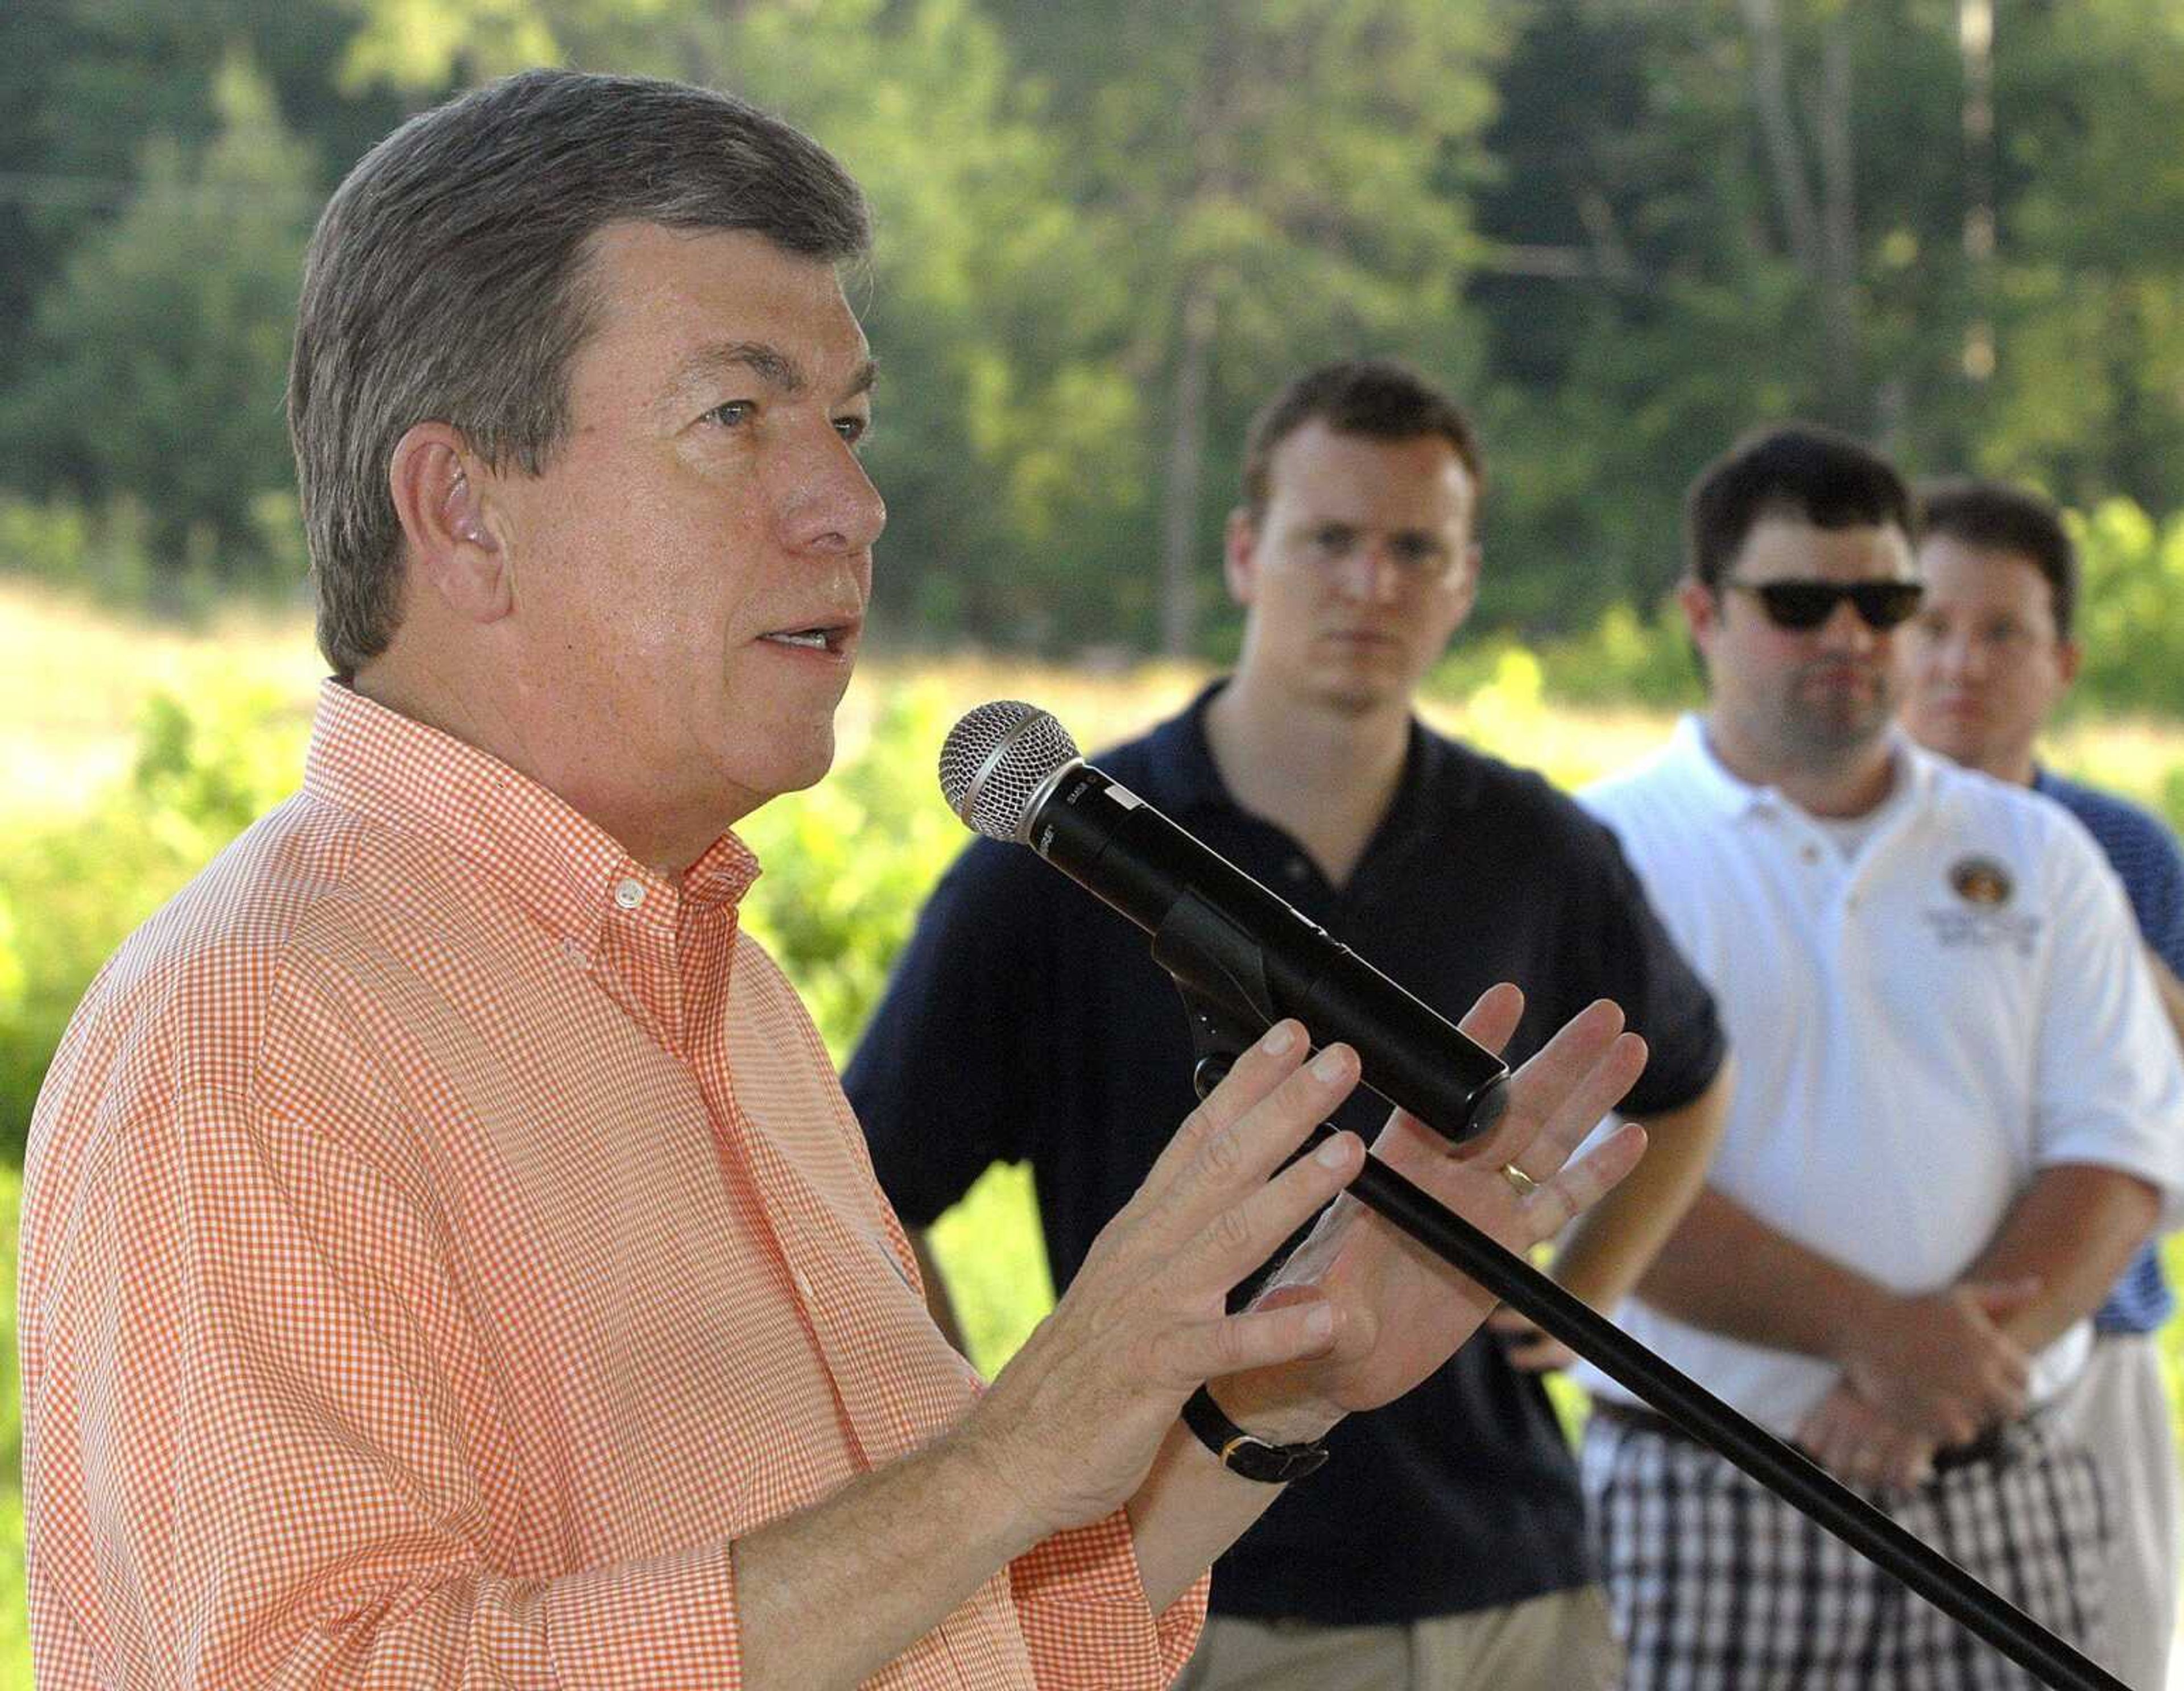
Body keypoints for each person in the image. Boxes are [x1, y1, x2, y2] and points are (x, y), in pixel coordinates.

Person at [14, 72, 1659, 1690]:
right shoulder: (254, 1033)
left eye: (850, 423)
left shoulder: (722, 985)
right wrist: (1005, 1452)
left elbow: (952, 1640)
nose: (852, 505)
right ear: (462, 512)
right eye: (736, 416)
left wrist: (1272, 1387)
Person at [846, 359, 1731, 1691]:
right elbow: (869, 1191)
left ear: (1465, 579)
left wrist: (1587, 1285)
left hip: (1515, 1576)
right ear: (1248, 552)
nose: (1372, 584)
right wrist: (995, 1449)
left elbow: (1686, 1076)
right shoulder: (1067, 860)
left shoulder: (1538, 844)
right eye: (1332, 539)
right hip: (1194, 1597)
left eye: (1413, 549)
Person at [1577, 424, 2184, 1690]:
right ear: (1702, 610)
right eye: (1800, 602)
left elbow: (2120, 1150)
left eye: (1885, 600)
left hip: (2004, 1488)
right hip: (1707, 1495)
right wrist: (1880, 1337)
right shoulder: (1592, 855)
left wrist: (1927, 1383)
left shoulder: (2046, 850)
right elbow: (1588, 1174)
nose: (1850, 635)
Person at [1900, 476, 2184, 1691]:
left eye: (2002, 631)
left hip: (2096, 1340)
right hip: (1862, 1346)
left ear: (2062, 660)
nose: (1962, 662)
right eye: (1933, 623)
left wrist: (2109, 960)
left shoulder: (2123, 849)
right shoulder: (1824, 840)